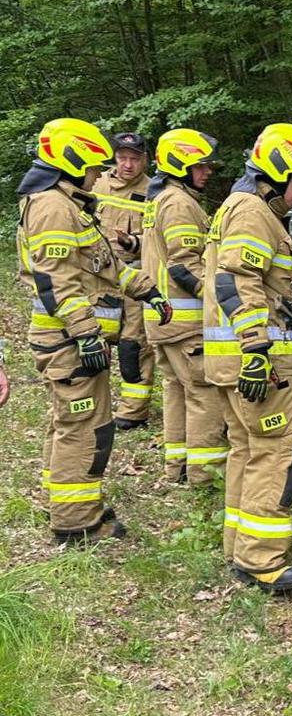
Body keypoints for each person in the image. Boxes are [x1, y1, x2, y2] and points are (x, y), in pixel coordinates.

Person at [16, 118, 172, 545]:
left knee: (71, 420)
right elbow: (57, 280)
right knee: (84, 426)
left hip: (69, 337)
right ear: (70, 162)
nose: (97, 173)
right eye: (91, 165)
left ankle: (66, 500)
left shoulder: (69, 203)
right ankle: (76, 522)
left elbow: (102, 264)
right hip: (67, 340)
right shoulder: (53, 206)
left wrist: (146, 290)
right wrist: (85, 332)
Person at [203, 123, 292, 593]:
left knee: (249, 451)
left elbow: (253, 281)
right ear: (274, 176)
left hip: (233, 361)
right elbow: (236, 282)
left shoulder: (242, 209)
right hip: (258, 363)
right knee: (281, 453)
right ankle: (261, 560)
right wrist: (257, 350)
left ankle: (241, 549)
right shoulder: (253, 212)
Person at [141, 128, 227, 485]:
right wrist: (219, 299)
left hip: (163, 320)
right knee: (204, 394)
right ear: (180, 165)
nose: (208, 172)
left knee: (176, 390)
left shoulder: (161, 199)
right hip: (185, 322)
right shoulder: (178, 203)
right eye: (201, 165)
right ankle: (206, 476)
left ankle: (176, 466)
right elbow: (183, 263)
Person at [93, 132, 156, 430]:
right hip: (97, 278)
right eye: (122, 158)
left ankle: (133, 411)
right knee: (95, 340)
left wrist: (134, 242)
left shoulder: (153, 191)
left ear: (145, 159)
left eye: (134, 158)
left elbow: (159, 238)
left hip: (134, 277)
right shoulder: (96, 184)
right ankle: (94, 402)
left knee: (134, 346)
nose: (127, 165)